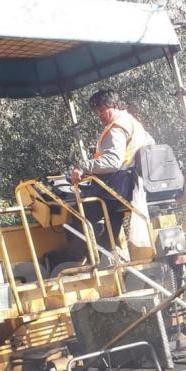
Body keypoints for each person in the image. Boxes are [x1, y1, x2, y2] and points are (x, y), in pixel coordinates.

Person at [69, 89, 154, 250]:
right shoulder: (133, 122)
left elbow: (113, 161)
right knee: (112, 221)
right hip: (130, 187)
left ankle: (79, 258)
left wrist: (83, 167)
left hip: (116, 188)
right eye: (96, 111)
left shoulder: (116, 128)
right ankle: (107, 255)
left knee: (76, 213)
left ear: (114, 105)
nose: (99, 114)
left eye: (102, 109)